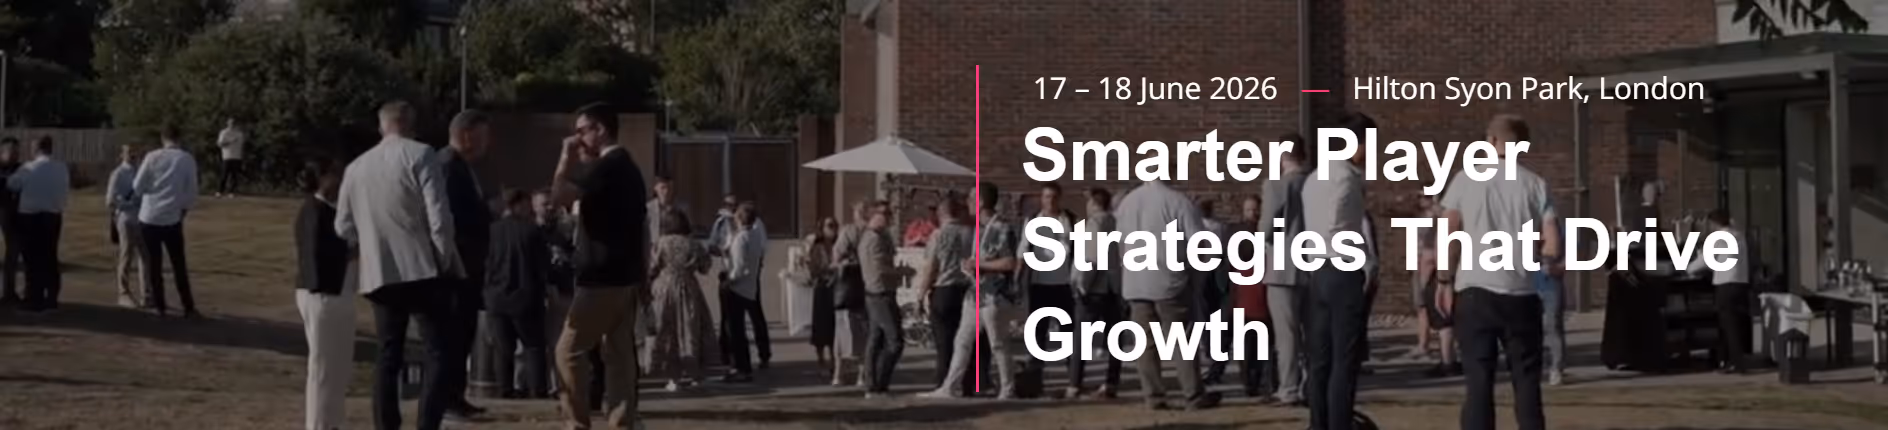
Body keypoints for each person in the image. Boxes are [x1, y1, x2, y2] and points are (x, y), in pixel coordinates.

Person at [337, 101, 462, 430]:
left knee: (388, 352)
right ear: (411, 123)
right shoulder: (421, 154)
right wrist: (443, 257)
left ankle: (386, 425)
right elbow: (439, 215)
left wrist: (368, 243)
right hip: (421, 266)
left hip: (380, 270)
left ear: (382, 126)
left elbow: (343, 226)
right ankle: (427, 423)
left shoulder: (356, 167)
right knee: (438, 350)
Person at [1440, 114, 1556, 430]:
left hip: (1475, 289)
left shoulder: (1465, 179)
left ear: (1491, 141)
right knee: (1527, 379)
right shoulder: (1536, 184)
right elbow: (1553, 244)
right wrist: (1542, 265)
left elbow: (1450, 232)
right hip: (1521, 292)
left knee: (1478, 381)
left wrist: (1444, 279)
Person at [549, 102, 650, 430]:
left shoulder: (606, 168)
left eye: (581, 131)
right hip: (625, 277)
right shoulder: (628, 168)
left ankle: (577, 423)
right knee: (619, 357)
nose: (576, 138)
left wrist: (565, 159)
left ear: (600, 130)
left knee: (567, 352)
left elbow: (559, 196)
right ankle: (622, 421)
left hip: (601, 279)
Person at [1116, 174, 1219, 410]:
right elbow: (1198, 243)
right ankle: (1192, 393)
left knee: (1146, 343)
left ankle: (1153, 395)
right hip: (1168, 279)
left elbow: (1120, 244)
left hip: (1135, 281)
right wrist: (1197, 275)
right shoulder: (1178, 201)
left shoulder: (1127, 202)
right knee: (1181, 340)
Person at [1302, 115, 1375, 430]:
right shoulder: (1346, 178)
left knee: (1321, 359)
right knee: (1345, 360)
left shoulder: (1314, 177)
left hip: (1318, 269)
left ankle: (1318, 423)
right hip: (1342, 268)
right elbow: (1335, 222)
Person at [921, 184, 1021, 399]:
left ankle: (1007, 388)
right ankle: (950, 387)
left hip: (994, 295)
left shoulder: (1000, 228)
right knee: (962, 340)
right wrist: (971, 266)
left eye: (971, 199)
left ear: (981, 202)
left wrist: (980, 264)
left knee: (997, 343)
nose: (968, 204)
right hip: (975, 293)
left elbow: (1009, 262)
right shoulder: (978, 228)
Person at [438, 110, 493, 421]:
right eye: (483, 135)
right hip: (456, 265)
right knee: (453, 334)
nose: (488, 142)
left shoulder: (463, 167)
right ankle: (446, 398)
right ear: (467, 135)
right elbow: (451, 217)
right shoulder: (448, 166)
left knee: (464, 333)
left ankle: (456, 395)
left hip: (470, 265)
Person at [295, 159, 353, 430]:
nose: (341, 182)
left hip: (336, 292)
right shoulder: (314, 212)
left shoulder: (328, 210)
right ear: (323, 178)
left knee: (338, 366)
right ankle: (318, 424)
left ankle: (333, 421)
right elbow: (316, 256)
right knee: (323, 367)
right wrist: (353, 252)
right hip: (322, 294)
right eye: (336, 176)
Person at [485, 188, 552, 399]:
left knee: (503, 348)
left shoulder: (492, 231)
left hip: (496, 297)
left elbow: (486, 263)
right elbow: (543, 265)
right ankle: (537, 390)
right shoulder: (532, 231)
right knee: (533, 346)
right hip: (526, 297)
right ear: (519, 205)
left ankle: (504, 389)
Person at [1260, 132, 1311, 406]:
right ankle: (1310, 384)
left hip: (1282, 266)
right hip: (1313, 263)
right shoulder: (1316, 182)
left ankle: (1289, 387)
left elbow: (1268, 227)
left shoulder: (1277, 185)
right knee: (1311, 330)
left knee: (1287, 334)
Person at [1017, 182, 1078, 397]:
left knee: (1068, 334)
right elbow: (1022, 251)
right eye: (1046, 197)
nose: (1050, 201)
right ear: (1041, 199)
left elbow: (1078, 251)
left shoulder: (1070, 220)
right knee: (1038, 335)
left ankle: (1074, 381)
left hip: (1065, 285)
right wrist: (1018, 279)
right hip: (1039, 284)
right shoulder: (1033, 220)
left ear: (1060, 198)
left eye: (1053, 197)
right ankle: (1035, 381)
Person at [134, 125, 201, 318]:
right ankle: (188, 306)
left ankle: (160, 306)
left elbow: (137, 186)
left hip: (149, 216)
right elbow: (191, 191)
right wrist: (183, 209)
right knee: (178, 263)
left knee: (154, 264)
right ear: (180, 138)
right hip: (173, 217)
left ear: (163, 138)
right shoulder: (186, 159)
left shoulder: (152, 157)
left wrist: (150, 191)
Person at [650, 209, 716, 390]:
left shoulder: (661, 243)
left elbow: (652, 266)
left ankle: (674, 378)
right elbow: (705, 267)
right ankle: (695, 374)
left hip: (664, 288)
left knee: (668, 330)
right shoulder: (693, 244)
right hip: (688, 287)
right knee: (690, 329)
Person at [914, 198, 973, 395]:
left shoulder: (938, 235)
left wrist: (921, 294)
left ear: (941, 214)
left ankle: (944, 382)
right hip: (966, 289)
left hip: (944, 289)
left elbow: (931, 266)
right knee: (965, 340)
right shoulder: (971, 233)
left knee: (944, 341)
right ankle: (969, 383)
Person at [1068, 187, 1123, 399]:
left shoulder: (1094, 224)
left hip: (1093, 289)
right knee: (1115, 338)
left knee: (1081, 338)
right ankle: (1111, 382)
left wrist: (1082, 286)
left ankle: (1075, 383)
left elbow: (1091, 258)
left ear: (1093, 202)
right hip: (1114, 287)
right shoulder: (1118, 222)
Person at [1687, 209, 1752, 375]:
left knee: (1728, 326)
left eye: (1709, 223)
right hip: (1741, 283)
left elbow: (1706, 260)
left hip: (1726, 284)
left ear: (1714, 223)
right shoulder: (1739, 236)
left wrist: (1688, 269)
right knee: (1737, 324)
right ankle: (1730, 359)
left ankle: (1735, 363)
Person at [8, 136, 68, 313]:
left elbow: (12, 184)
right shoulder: (61, 167)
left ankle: (34, 299)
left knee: (32, 259)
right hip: (53, 215)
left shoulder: (29, 168)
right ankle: (51, 297)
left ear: (36, 148)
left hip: (31, 217)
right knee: (50, 256)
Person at [856, 200, 904, 398]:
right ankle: (878, 383)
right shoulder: (872, 239)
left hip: (881, 292)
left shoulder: (881, 236)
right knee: (895, 341)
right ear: (873, 216)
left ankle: (873, 384)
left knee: (875, 339)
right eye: (884, 213)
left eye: (889, 213)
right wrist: (901, 272)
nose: (889, 217)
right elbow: (879, 268)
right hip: (880, 294)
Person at [1227, 194, 1273, 398]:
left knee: (1257, 342)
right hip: (1245, 290)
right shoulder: (1240, 233)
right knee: (1247, 343)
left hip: (1257, 290)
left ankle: (1253, 380)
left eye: (1255, 209)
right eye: (1249, 210)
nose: (1252, 213)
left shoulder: (1259, 233)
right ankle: (1250, 381)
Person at [720, 202, 770, 381]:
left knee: (736, 330)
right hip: (750, 287)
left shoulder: (742, 238)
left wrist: (729, 280)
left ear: (740, 218)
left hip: (738, 288)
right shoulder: (754, 235)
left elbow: (740, 268)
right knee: (740, 328)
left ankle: (742, 368)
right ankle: (742, 366)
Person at [829, 200, 873, 387]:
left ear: (857, 213)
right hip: (869, 285)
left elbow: (837, 257)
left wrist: (839, 263)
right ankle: (862, 375)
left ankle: (838, 374)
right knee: (866, 331)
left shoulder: (849, 231)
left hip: (849, 284)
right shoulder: (875, 233)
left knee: (842, 330)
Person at [796, 218, 841, 372]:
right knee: (821, 324)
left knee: (834, 326)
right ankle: (821, 358)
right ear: (823, 229)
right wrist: (828, 270)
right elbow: (814, 268)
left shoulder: (839, 244)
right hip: (822, 287)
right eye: (830, 226)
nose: (833, 229)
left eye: (835, 226)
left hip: (836, 288)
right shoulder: (817, 246)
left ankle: (834, 359)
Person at [107, 143, 145, 309]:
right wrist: (128, 203)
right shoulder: (118, 173)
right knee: (126, 255)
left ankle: (147, 294)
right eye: (129, 152)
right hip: (126, 218)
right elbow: (110, 200)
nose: (132, 155)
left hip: (142, 219)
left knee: (146, 256)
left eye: (135, 152)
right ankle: (123, 293)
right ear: (122, 155)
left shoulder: (141, 172)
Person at [0, 137, 19, 305]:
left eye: (16, 151)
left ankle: (9, 292)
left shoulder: (21, 169)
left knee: (13, 252)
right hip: (3, 210)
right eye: (11, 150)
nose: (14, 154)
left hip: (13, 215)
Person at [216, 118, 247, 198]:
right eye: (231, 123)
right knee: (224, 175)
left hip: (237, 156)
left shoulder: (239, 134)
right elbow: (220, 144)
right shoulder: (224, 132)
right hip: (227, 156)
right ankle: (220, 191)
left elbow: (241, 146)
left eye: (234, 123)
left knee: (234, 176)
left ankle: (231, 192)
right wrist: (230, 141)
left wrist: (242, 156)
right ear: (228, 123)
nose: (232, 124)